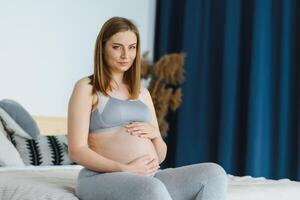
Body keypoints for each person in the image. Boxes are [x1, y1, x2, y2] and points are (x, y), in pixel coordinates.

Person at [68, 16, 228, 200]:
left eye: (132, 47)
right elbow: (77, 150)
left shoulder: (142, 93)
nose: (125, 55)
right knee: (150, 189)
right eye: (117, 47)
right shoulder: (87, 87)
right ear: (102, 48)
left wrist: (155, 135)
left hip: (148, 177)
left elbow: (159, 156)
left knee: (214, 174)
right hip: (101, 177)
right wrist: (124, 168)